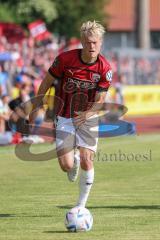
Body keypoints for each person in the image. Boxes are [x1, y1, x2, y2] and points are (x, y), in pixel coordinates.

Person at [29, 20, 112, 207]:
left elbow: (100, 101)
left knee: (87, 161)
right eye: (88, 42)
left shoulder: (105, 69)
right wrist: (36, 106)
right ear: (82, 42)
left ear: (100, 43)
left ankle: (80, 206)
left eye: (95, 42)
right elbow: (46, 82)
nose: (92, 46)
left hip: (88, 117)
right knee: (66, 166)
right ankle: (72, 159)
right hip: (64, 116)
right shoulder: (65, 59)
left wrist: (88, 114)